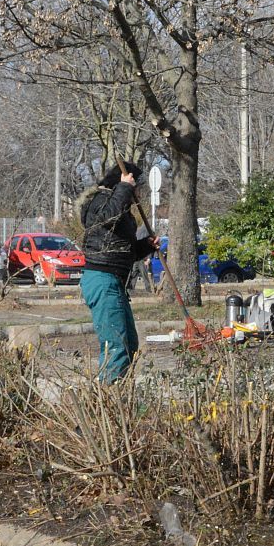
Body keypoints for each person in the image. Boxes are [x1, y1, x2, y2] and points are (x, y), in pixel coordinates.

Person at [79, 160, 159, 382]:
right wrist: (125, 187)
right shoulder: (100, 201)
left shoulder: (119, 206)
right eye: (136, 187)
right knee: (117, 345)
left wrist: (146, 246)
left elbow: (123, 251)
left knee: (129, 344)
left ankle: (120, 396)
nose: (137, 193)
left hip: (115, 280)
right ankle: (108, 400)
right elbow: (107, 217)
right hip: (102, 279)